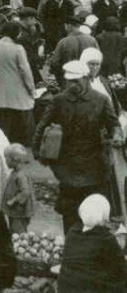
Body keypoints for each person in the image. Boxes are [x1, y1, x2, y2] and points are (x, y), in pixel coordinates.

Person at [33, 60, 123, 234]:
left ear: (86, 78)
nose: (72, 85)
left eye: (76, 81)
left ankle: (92, 247)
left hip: (94, 164)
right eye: (69, 81)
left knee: (94, 210)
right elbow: (42, 125)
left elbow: (113, 124)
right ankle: (72, 243)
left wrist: (117, 135)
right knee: (70, 212)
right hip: (67, 165)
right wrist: (38, 151)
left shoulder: (101, 100)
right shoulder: (59, 100)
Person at [58, 193, 127, 293]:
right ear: (104, 215)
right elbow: (121, 269)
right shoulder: (106, 239)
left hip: (66, 287)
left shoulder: (72, 232)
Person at [0, 20, 35, 145]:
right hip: (19, 90)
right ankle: (27, 144)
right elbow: (25, 71)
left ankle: (6, 144)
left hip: (2, 91)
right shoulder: (18, 49)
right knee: (25, 120)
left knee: (6, 121)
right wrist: (31, 88)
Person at [1, 143, 35, 234]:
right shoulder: (15, 172)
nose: (5, 161)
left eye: (6, 158)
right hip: (14, 211)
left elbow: (26, 192)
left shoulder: (21, 175)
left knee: (18, 232)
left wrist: (14, 200)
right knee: (13, 229)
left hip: (19, 211)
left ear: (15, 160)